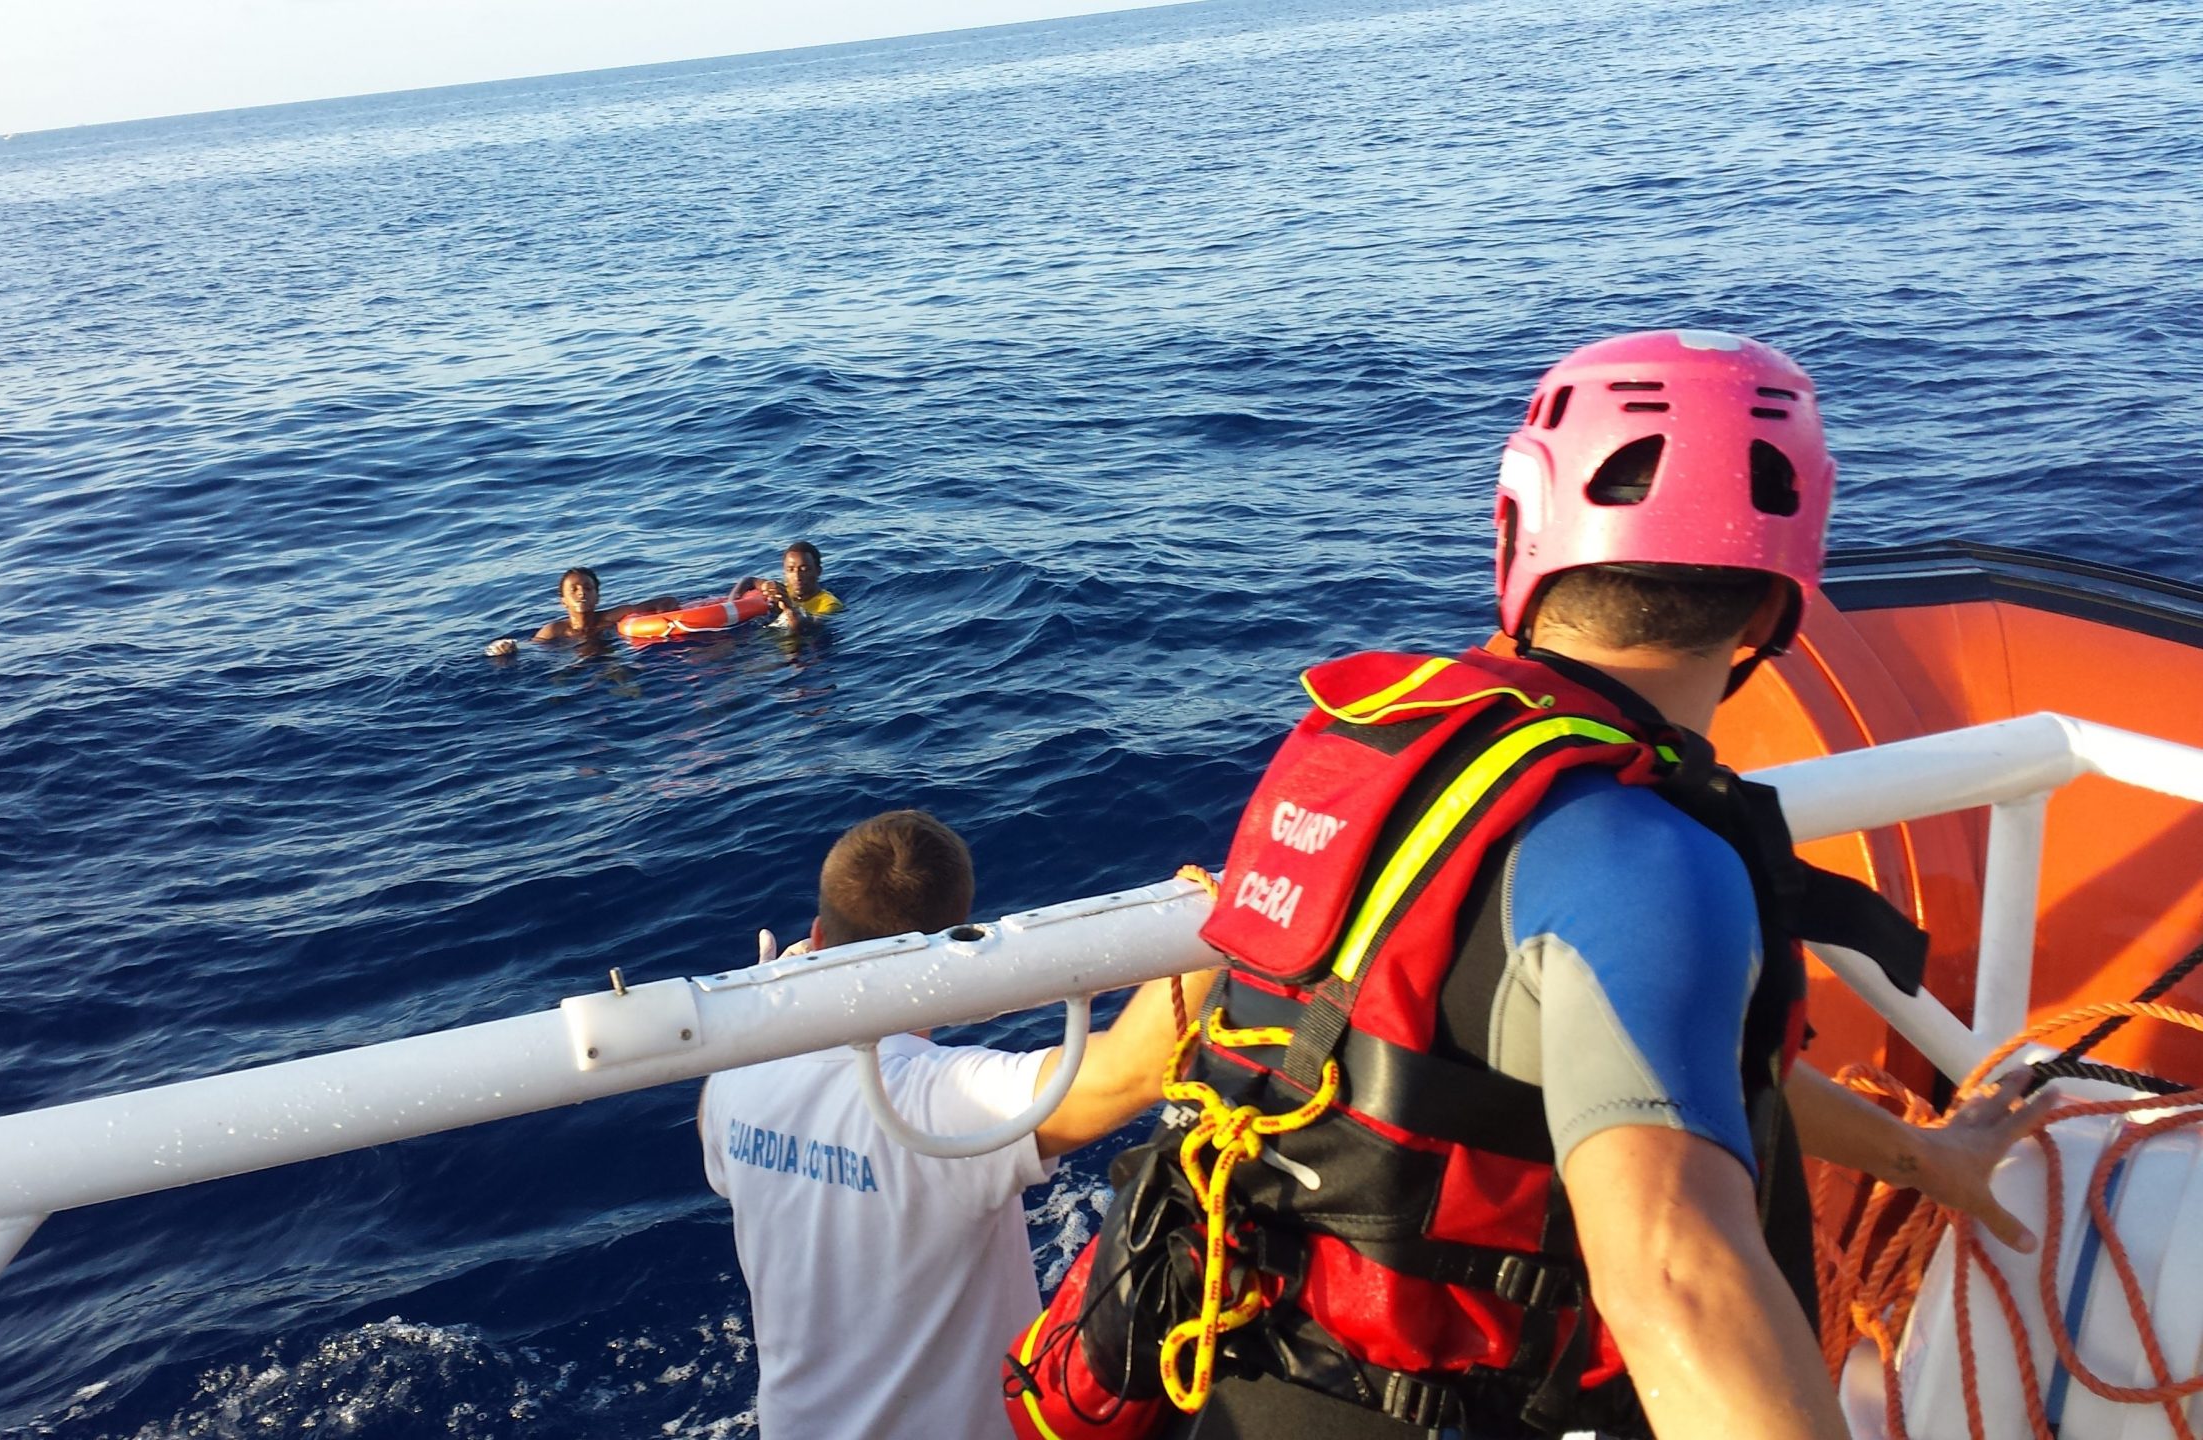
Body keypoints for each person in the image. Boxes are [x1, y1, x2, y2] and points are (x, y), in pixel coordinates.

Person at [1011, 330, 2055, 1440]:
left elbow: (1651, 1057)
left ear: (1516, 533)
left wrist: (1924, 1158)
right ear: (1772, 611)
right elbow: (1673, 1280)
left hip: (1226, 1377)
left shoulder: (1375, 753)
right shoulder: (1648, 857)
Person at [699, 809, 1218, 1440]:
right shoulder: (934, 1104)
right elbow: (1132, 1069)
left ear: (817, 931)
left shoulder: (731, 1079)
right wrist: (1250, 904)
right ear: (957, 950)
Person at [483, 567, 676, 656]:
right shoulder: (554, 631)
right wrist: (507, 646)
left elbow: (664, 601)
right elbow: (530, 647)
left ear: (597, 597)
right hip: (572, 661)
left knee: (622, 679)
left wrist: (666, 614)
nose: (581, 593)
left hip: (609, 656)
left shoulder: (613, 616)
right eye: (573, 589)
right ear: (563, 601)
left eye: (588, 588)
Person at [729, 540, 842, 632]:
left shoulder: (830, 604)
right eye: (791, 570)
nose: (797, 576)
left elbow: (809, 626)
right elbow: (749, 580)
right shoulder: (782, 589)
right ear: (785, 572)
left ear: (818, 571)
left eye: (804, 569)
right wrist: (731, 604)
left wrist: (788, 609)